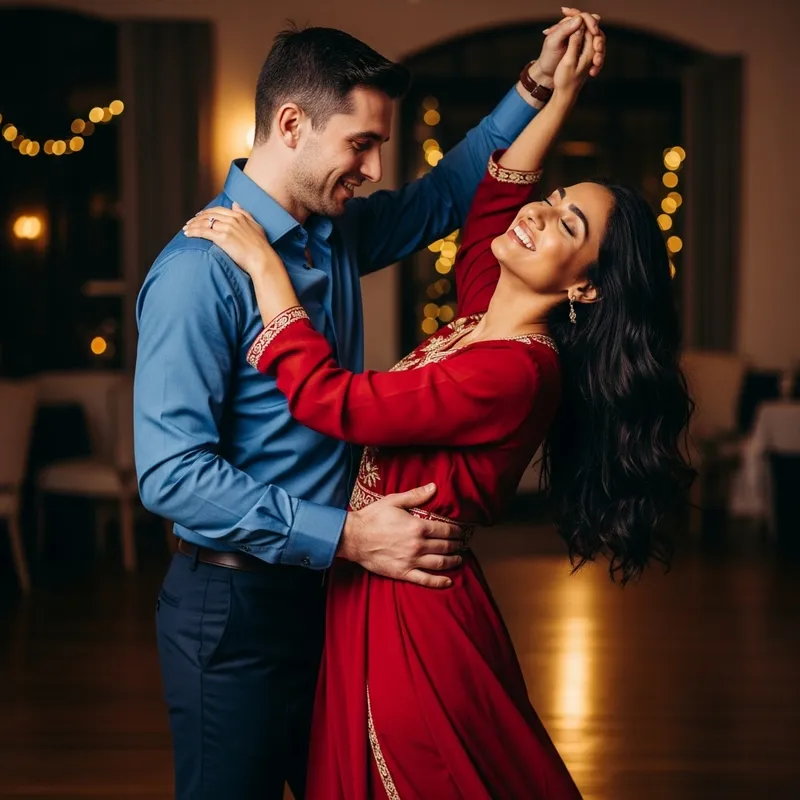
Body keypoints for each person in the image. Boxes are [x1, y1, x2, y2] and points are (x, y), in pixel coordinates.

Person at [183, 18, 695, 799]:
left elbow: (335, 403)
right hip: (372, 584)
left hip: (412, 611)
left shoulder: (516, 371)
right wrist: (557, 94)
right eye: (555, 197)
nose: (538, 213)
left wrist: (264, 267)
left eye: (568, 225)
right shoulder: (490, 313)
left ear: (583, 287)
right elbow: (498, 197)